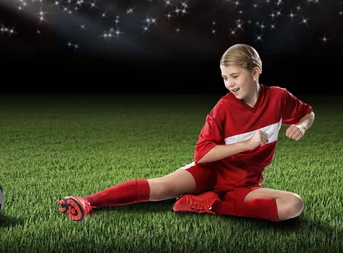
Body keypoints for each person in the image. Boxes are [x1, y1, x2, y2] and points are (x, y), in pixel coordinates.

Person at [58, 43, 315, 222]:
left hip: (246, 183)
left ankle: (210, 205)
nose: (229, 84)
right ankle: (87, 201)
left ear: (255, 72)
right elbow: (202, 154)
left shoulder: (279, 97)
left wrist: (301, 125)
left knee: (293, 205)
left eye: (235, 76)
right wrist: (246, 145)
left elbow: (307, 112)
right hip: (209, 173)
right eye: (225, 78)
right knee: (162, 187)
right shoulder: (223, 108)